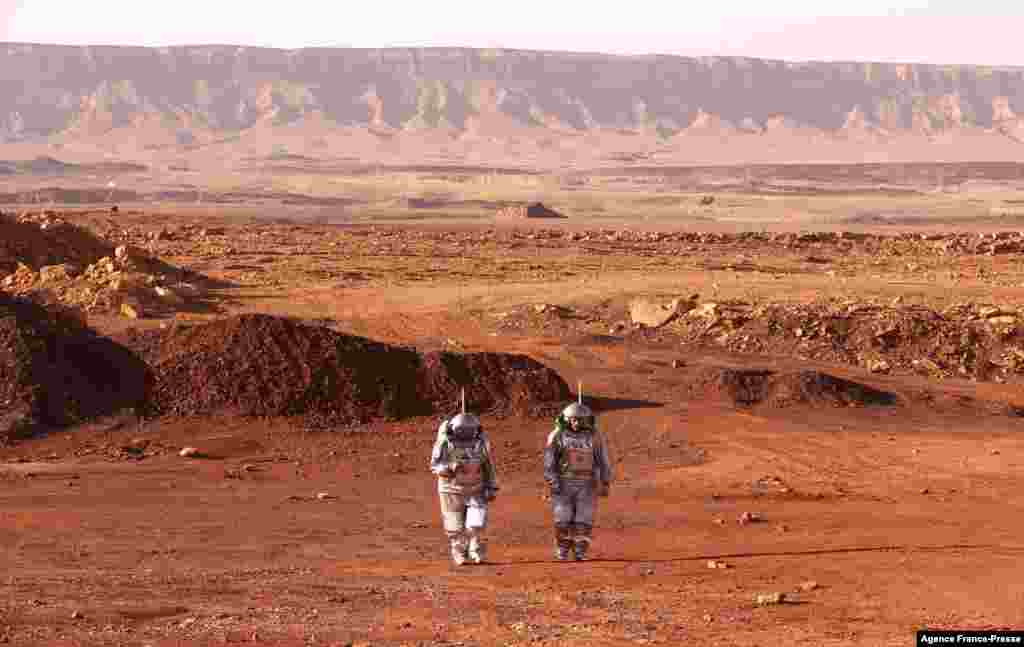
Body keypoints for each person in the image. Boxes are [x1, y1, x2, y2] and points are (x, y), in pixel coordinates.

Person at [544, 398, 613, 561]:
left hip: (587, 484)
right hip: (563, 483)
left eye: (580, 420)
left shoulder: (595, 436)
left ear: (587, 420)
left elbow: (603, 459)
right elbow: (549, 461)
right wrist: (552, 481)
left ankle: (580, 551)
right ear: (566, 419)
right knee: (563, 518)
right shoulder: (557, 436)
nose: (576, 423)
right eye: (573, 419)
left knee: (584, 518)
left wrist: (605, 481)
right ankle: (562, 550)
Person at [430, 404, 498, 566]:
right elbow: (435, 466)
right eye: (462, 430)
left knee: (476, 523)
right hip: (451, 489)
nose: (466, 434)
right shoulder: (445, 443)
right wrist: (450, 468)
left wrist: (491, 486)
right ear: (454, 429)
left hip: (476, 488)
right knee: (454, 526)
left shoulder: (481, 444)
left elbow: (488, 466)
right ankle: (459, 550)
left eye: (470, 430)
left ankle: (476, 550)